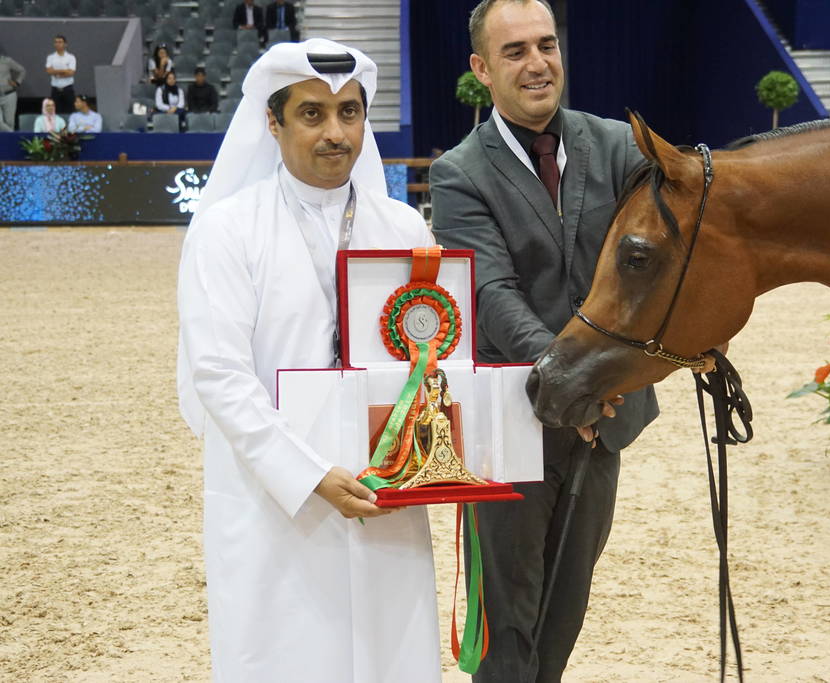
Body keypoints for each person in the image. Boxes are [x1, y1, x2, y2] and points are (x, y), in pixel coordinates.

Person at [177, 39, 441, 681]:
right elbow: (220, 374)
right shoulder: (227, 229)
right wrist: (310, 474)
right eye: (312, 114)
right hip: (275, 502)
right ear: (273, 123)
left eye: (349, 113)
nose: (336, 133)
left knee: (391, 655)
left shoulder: (404, 228)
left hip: (384, 494)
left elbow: (434, 364)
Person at [429, 1, 660, 680]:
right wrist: (575, 383)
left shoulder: (620, 147)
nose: (537, 64)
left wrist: (611, 380)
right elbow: (493, 294)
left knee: (563, 615)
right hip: (510, 421)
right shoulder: (459, 173)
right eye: (515, 52)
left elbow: (659, 267)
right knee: (508, 625)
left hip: (607, 421)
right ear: (482, 69)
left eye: (546, 45)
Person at [45, 34, 76, 115]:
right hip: (55, 89)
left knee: (70, 112)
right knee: (55, 113)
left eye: (60, 42)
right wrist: (64, 70)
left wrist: (56, 73)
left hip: (68, 89)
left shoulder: (71, 57)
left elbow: (71, 72)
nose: (57, 44)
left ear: (65, 44)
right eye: (56, 42)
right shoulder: (50, 57)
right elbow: (49, 71)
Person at [0, 44, 26, 132]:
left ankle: (9, 143)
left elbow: (22, 70)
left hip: (9, 94)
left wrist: (17, 82)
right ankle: (14, 136)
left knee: (10, 122)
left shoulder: (7, 61)